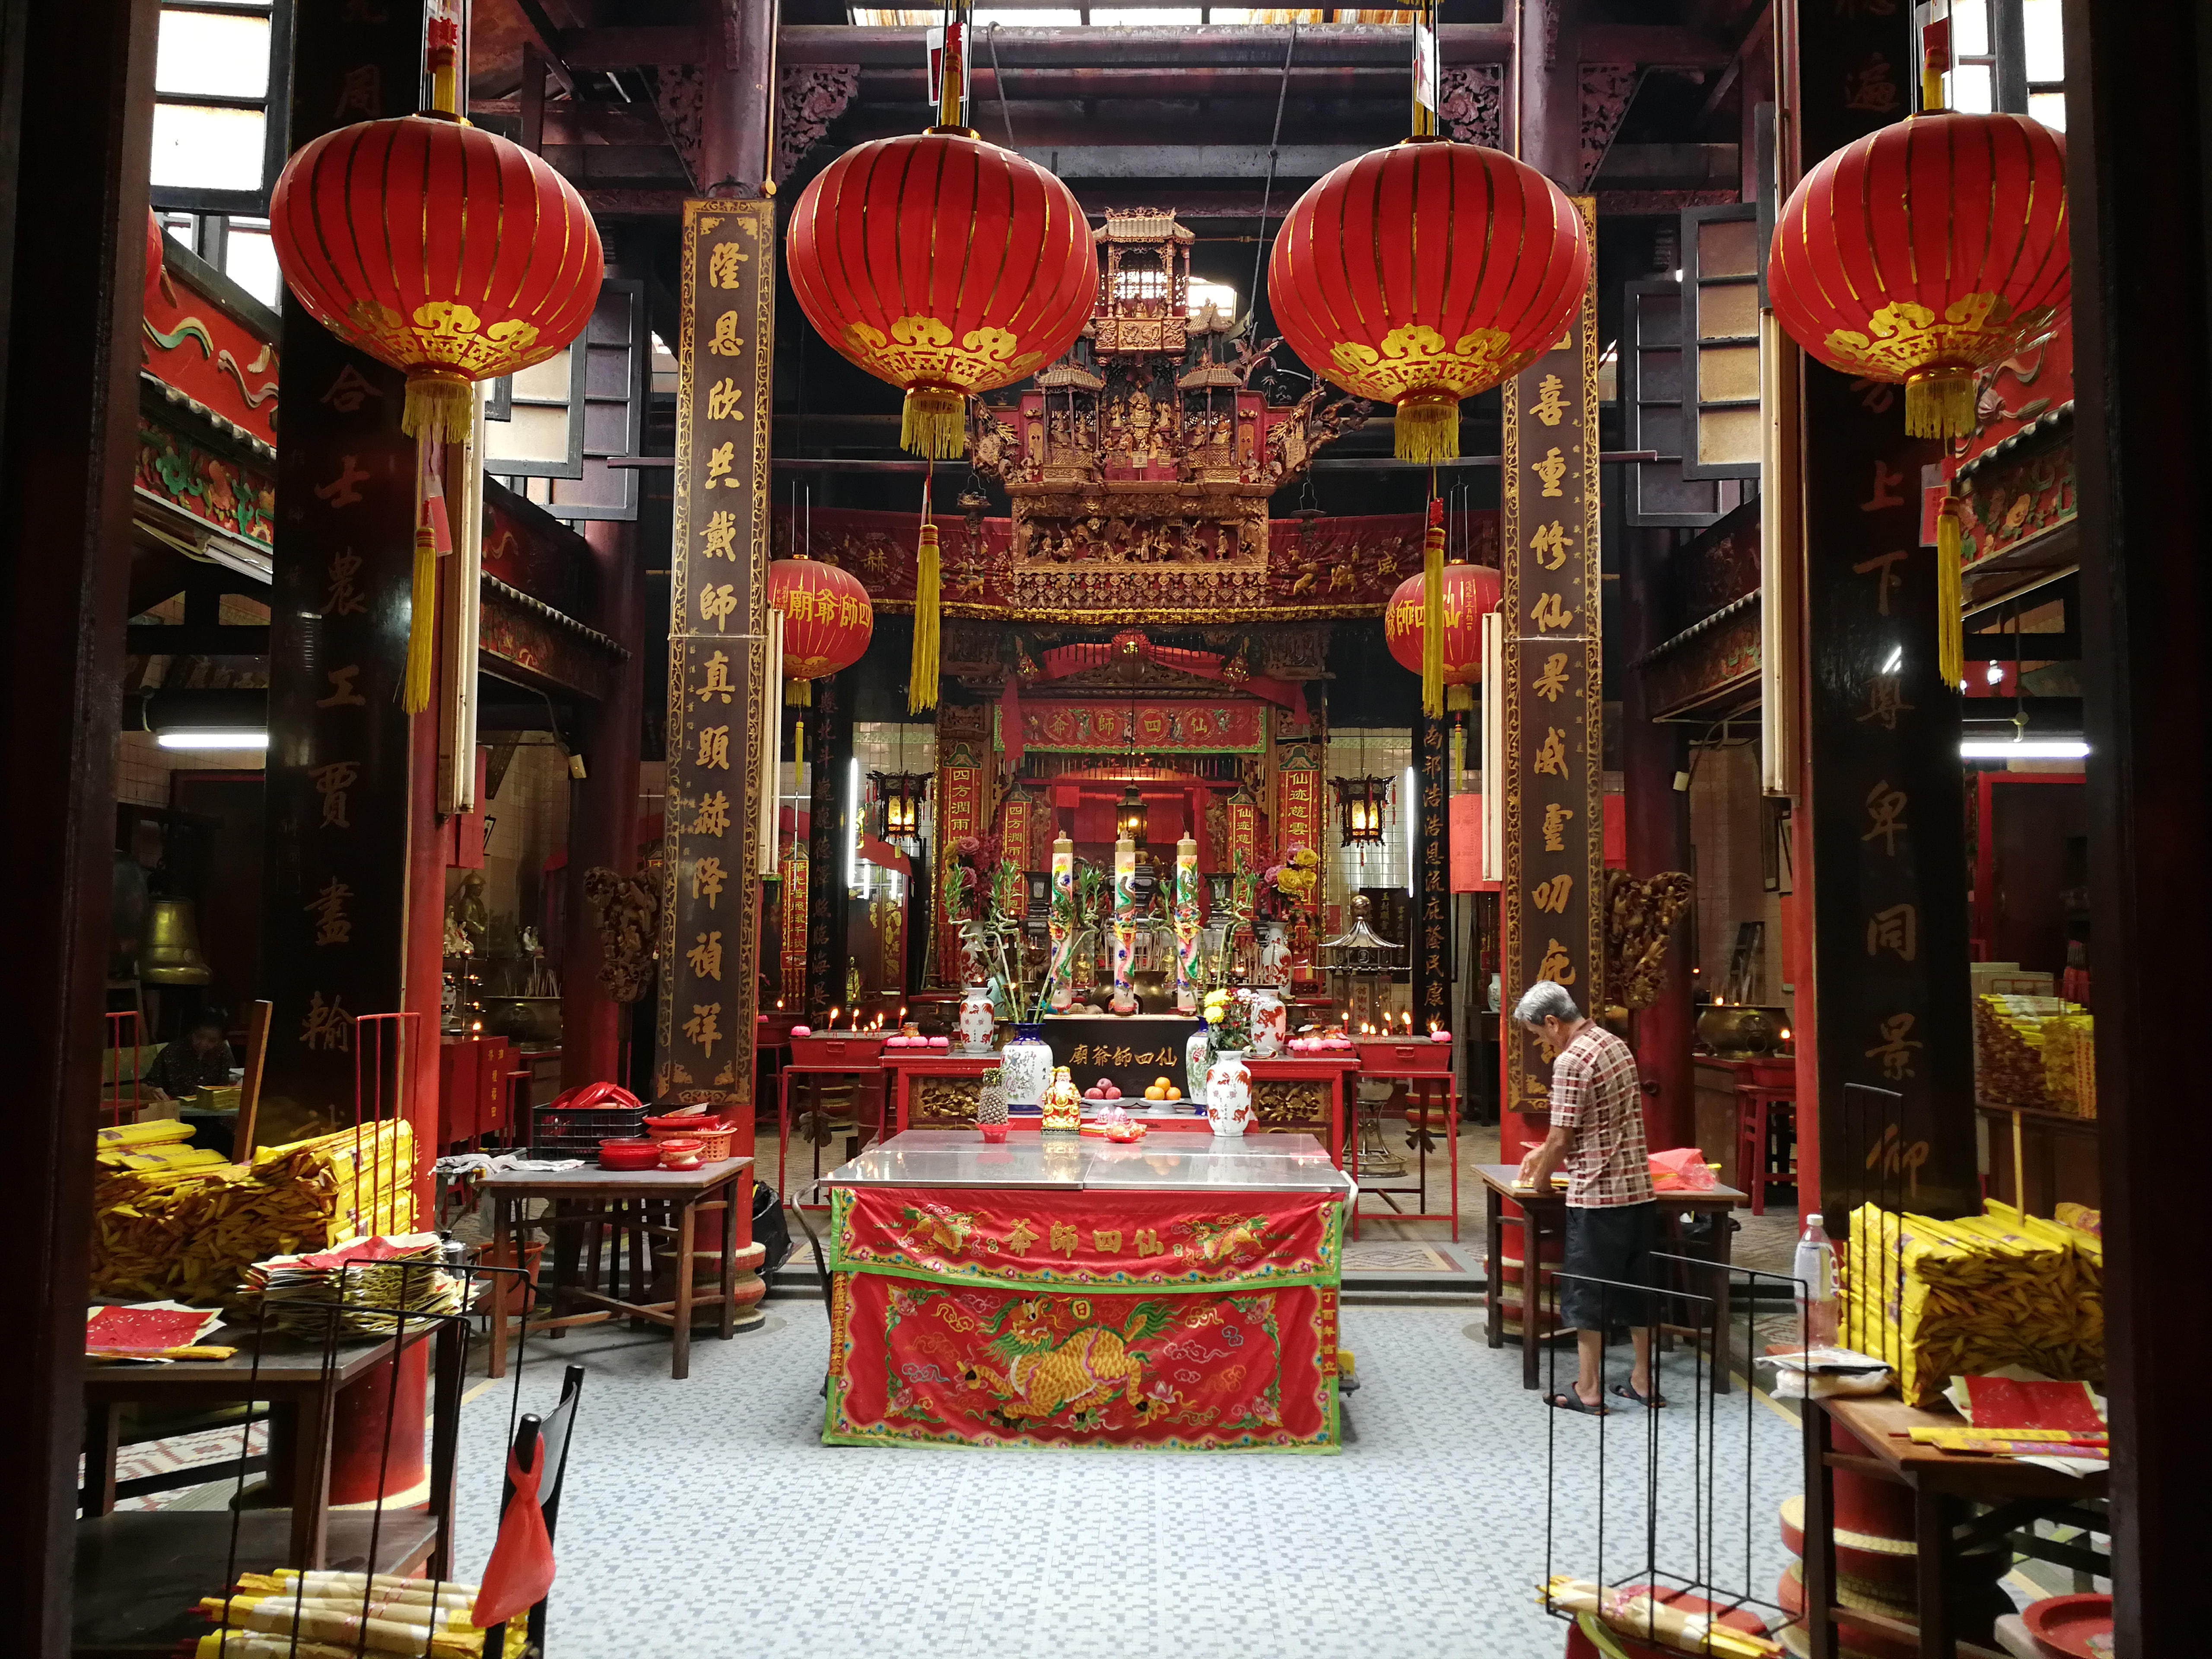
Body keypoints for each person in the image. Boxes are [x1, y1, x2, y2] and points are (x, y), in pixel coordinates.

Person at [1512, 981, 1660, 1414]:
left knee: (1587, 1293)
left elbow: (1560, 1139)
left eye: (1539, 1034)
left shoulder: (1571, 1060)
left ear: (1553, 1022)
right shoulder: (1615, 1046)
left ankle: (1589, 1388)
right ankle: (1642, 1381)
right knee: (1638, 1289)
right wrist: (1543, 1152)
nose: (1542, 1042)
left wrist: (1539, 1180)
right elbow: (1600, 1121)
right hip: (1637, 1191)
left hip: (1596, 1196)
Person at [143, 1008, 235, 1101]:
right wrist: (150, 1091)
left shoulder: (222, 1053)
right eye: (199, 1036)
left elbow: (226, 1086)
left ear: (221, 1041)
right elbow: (147, 1085)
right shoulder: (172, 1052)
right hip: (176, 1111)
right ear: (192, 1032)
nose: (203, 1043)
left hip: (214, 1112)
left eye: (212, 1041)